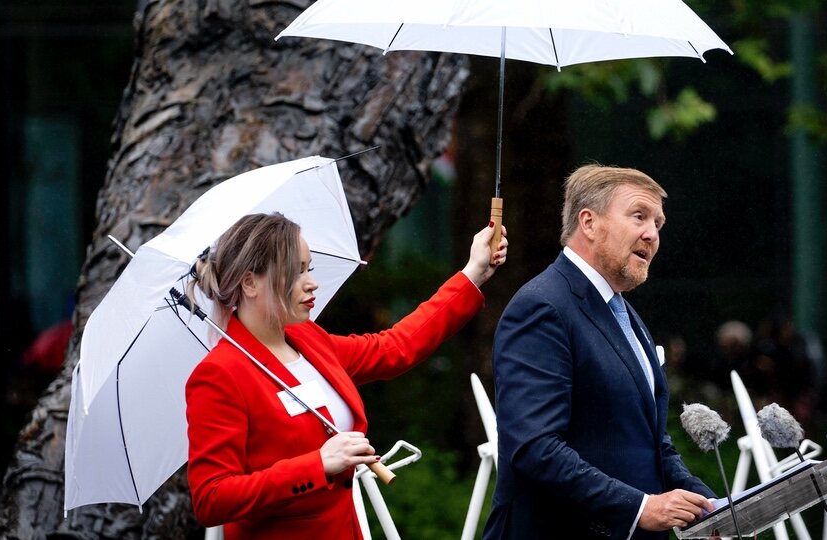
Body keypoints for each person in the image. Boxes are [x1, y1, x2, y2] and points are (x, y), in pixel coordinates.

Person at [185, 212, 507, 539]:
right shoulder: (220, 374)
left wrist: (472, 274)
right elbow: (212, 497)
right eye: (295, 272)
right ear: (250, 282)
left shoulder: (309, 338)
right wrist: (318, 464)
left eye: (308, 268)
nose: (311, 283)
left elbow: (392, 348)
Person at [483, 165, 714, 540]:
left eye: (658, 223)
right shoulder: (542, 307)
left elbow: (650, 440)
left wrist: (707, 505)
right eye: (639, 216)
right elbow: (535, 448)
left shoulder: (624, 312)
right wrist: (640, 508)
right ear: (588, 223)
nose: (652, 234)